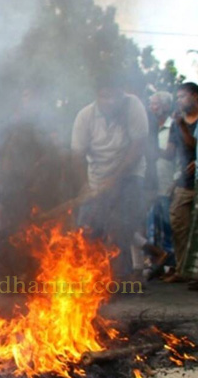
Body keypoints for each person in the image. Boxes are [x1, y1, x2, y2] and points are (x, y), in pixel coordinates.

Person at [72, 73, 149, 278]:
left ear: (122, 94)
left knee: (120, 228)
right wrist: (85, 186)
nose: (111, 101)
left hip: (130, 175)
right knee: (87, 229)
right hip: (97, 178)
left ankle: (121, 279)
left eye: (115, 96)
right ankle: (90, 278)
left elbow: (138, 147)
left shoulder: (133, 106)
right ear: (97, 96)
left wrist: (115, 179)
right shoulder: (85, 116)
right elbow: (77, 155)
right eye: (105, 96)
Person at [145, 91, 176, 277]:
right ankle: (155, 263)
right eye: (151, 104)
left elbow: (174, 155)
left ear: (166, 106)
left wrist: (153, 150)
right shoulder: (148, 127)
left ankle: (171, 266)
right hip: (150, 184)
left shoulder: (174, 127)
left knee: (167, 226)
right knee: (151, 226)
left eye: (155, 104)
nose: (152, 107)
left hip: (167, 183)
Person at [176, 82, 198, 290]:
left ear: (195, 95)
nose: (179, 101)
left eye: (182, 96)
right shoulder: (180, 121)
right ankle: (185, 271)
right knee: (183, 225)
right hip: (186, 180)